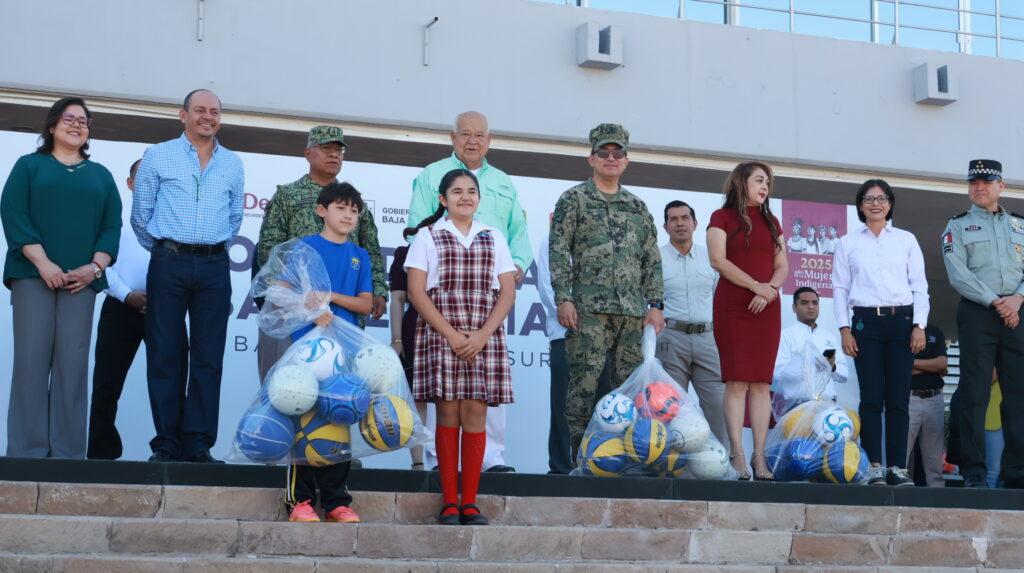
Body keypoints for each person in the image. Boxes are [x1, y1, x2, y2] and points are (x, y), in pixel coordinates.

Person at [408, 111, 531, 473]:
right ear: (453, 137)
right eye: (465, 133)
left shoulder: (504, 182)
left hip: (489, 302)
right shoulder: (430, 175)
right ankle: (436, 460)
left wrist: (516, 268)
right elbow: (417, 225)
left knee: (485, 392)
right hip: (441, 298)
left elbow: (518, 233)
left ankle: (491, 461)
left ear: (489, 140)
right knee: (442, 393)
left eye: (480, 134)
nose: (472, 140)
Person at [1, 96, 121, 459]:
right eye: (68, 118)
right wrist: (43, 263)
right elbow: (13, 213)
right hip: (33, 276)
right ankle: (26, 453)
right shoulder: (29, 166)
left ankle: (68, 455)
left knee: (73, 363)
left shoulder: (100, 175)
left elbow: (110, 226)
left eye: (83, 121)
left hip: (80, 283)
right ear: (52, 126)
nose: (76, 124)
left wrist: (94, 268)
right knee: (31, 361)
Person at [131, 89, 244, 463]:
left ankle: (198, 444)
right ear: (184, 115)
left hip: (214, 266)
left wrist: (206, 248)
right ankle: (166, 442)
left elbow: (234, 218)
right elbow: (141, 217)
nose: (207, 116)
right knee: (164, 354)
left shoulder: (233, 162)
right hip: (169, 262)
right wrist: (168, 250)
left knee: (208, 358)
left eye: (214, 111)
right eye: (200, 110)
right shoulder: (157, 155)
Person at [405, 169, 517, 526]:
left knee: (476, 413)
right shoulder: (428, 235)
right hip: (442, 333)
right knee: (447, 413)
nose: (465, 197)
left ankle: (470, 502)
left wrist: (482, 334)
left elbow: (508, 291)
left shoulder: (493, 236)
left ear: (479, 198)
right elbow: (416, 292)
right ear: (443, 199)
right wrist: (453, 335)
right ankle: (449, 501)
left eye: (472, 191)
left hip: (484, 335)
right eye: (457, 192)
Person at [549, 123, 665, 459]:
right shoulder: (574, 199)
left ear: (626, 161)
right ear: (592, 158)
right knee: (582, 390)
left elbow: (651, 259)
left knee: (627, 391)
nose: (611, 158)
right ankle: (580, 460)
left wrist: (655, 304)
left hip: (631, 313)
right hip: (587, 312)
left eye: (618, 153)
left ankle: (620, 458)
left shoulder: (637, 206)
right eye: (604, 152)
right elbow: (558, 251)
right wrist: (564, 297)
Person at [255, 125, 387, 381]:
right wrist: (290, 303)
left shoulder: (354, 200)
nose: (334, 155)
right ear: (308, 153)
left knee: (340, 383)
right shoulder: (288, 195)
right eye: (326, 148)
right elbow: (269, 249)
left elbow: (370, 246)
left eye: (339, 150)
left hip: (343, 308)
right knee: (293, 384)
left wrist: (379, 290)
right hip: (300, 314)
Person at [87, 159, 188, 460]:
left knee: (171, 380)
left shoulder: (178, 222)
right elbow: (99, 265)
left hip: (166, 309)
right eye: (141, 179)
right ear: (130, 184)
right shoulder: (111, 222)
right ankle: (101, 452)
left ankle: (172, 447)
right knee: (107, 382)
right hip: (120, 307)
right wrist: (126, 294)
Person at [284, 182, 371, 523]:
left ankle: (336, 500)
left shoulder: (359, 255)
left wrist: (329, 297)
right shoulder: (304, 247)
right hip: (306, 348)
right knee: (303, 417)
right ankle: (300, 501)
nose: (349, 215)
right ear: (321, 210)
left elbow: (364, 303)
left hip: (345, 350)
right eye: (341, 208)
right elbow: (282, 292)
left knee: (340, 416)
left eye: (354, 210)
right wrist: (310, 310)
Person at [834, 178, 928, 487]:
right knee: (871, 398)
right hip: (864, 324)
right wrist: (844, 330)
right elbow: (840, 289)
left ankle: (898, 467)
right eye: (869, 198)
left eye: (882, 198)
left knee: (898, 398)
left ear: (890, 204)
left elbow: (920, 288)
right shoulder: (848, 243)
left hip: (901, 322)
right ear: (860, 205)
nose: (876, 203)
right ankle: (874, 465)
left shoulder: (906, 240)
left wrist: (919, 326)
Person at [942, 159, 1024, 489]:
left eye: (986, 183)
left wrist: (1017, 299)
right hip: (979, 311)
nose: (979, 187)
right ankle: (974, 472)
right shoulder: (958, 225)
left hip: (1018, 310)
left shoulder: (1020, 224)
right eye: (973, 183)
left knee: (1018, 394)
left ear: (1001, 186)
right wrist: (995, 301)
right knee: (974, 393)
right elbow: (958, 273)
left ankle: (1017, 473)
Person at [707, 161, 787, 481]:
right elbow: (718, 259)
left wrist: (769, 291)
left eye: (767, 182)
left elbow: (782, 265)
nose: (765, 186)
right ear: (741, 183)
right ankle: (737, 455)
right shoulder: (721, 217)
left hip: (767, 306)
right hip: (734, 305)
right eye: (758, 180)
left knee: (762, 383)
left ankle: (760, 456)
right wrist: (756, 286)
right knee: (737, 380)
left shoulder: (772, 220)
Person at [655, 200, 728, 447]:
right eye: (673, 219)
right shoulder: (656, 258)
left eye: (685, 218)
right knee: (672, 406)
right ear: (665, 226)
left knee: (718, 405)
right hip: (671, 338)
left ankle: (726, 464)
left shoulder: (713, 258)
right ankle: (676, 470)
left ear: (695, 224)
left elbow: (722, 299)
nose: (680, 223)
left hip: (709, 338)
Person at [388, 230, 428, 470]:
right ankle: (418, 463)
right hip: (416, 329)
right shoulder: (407, 252)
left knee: (452, 401)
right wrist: (397, 339)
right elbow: (397, 300)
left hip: (454, 327)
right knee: (418, 398)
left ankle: (449, 462)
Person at [773, 287, 848, 408]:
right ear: (794, 308)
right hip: (796, 405)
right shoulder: (785, 336)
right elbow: (778, 373)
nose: (811, 306)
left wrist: (831, 367)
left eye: (815, 303)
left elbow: (844, 375)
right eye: (804, 303)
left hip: (828, 404)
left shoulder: (829, 337)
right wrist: (810, 367)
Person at [537, 228, 573, 474]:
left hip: (607, 336)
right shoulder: (552, 238)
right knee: (563, 405)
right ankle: (561, 467)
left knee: (605, 405)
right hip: (566, 334)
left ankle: (598, 465)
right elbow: (548, 287)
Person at [906, 323, 947, 488]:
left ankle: (938, 506)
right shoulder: (901, 328)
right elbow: (900, 368)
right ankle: (900, 506)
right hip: (908, 398)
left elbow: (942, 364)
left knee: (935, 462)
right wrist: (931, 366)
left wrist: (913, 363)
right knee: (901, 460)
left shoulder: (935, 330)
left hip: (934, 397)